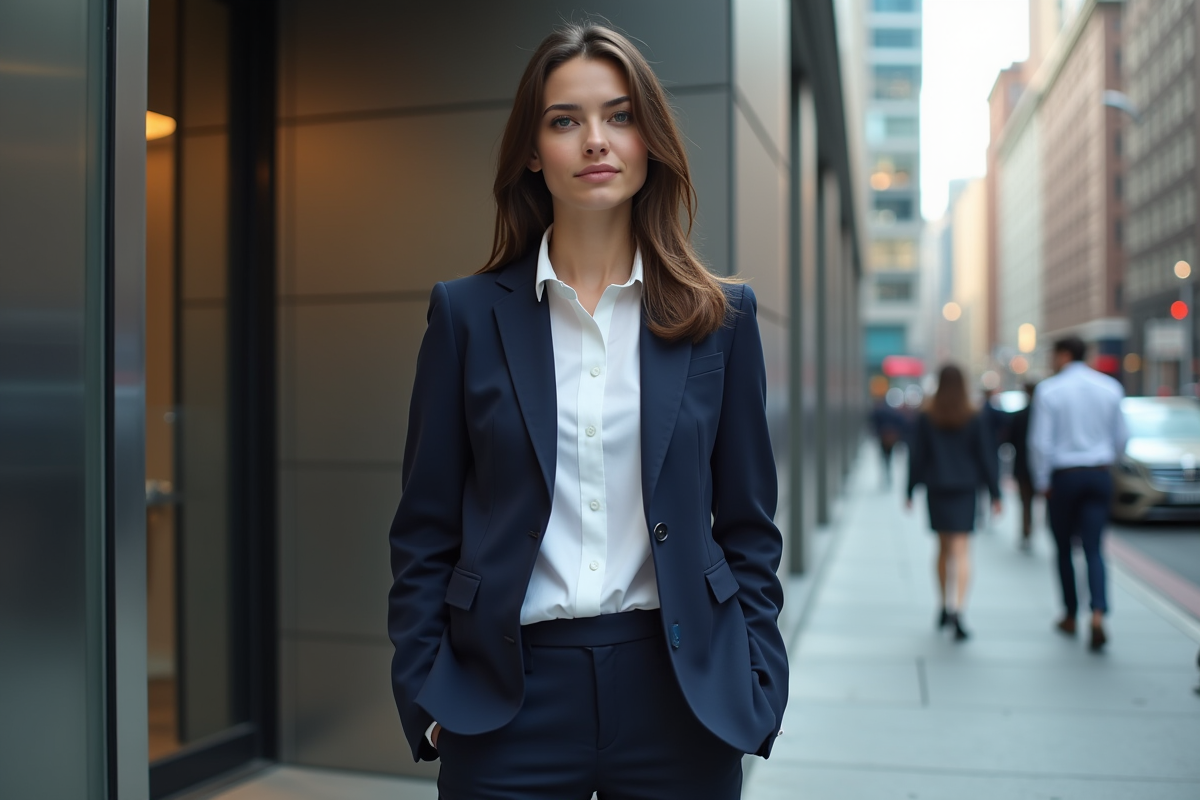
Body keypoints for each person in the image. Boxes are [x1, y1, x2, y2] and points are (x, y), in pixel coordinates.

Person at [386, 22, 787, 799]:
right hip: (505, 697)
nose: (595, 140)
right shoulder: (466, 316)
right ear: (533, 152)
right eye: (565, 120)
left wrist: (758, 684)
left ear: (649, 140)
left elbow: (749, 527)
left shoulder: (721, 319)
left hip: (681, 693)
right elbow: (424, 528)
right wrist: (427, 693)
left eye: (620, 115)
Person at [1029, 336, 1126, 652]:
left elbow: (1040, 443)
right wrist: (1107, 462)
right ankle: (1097, 613)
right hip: (1098, 473)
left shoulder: (1050, 390)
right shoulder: (1110, 388)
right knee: (1094, 548)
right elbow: (1121, 437)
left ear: (1064, 355)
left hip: (1065, 476)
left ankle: (1070, 614)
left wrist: (1042, 481)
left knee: (1063, 549)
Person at [906, 364, 1001, 641]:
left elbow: (917, 455)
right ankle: (958, 609)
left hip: (937, 488)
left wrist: (909, 489)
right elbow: (986, 456)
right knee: (961, 550)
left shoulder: (927, 416)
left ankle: (942, 605)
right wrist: (995, 493)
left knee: (942, 548)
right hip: (965, 489)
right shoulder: (974, 416)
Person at [1008, 381, 1037, 550]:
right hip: (1033, 466)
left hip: (1023, 465)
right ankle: (1030, 530)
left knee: (1026, 502)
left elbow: (1010, 439)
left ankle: (1026, 530)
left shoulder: (1020, 415)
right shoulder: (1042, 415)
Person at [870, 395, 908, 487]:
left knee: (885, 456)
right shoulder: (895, 413)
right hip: (889, 437)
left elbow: (873, 422)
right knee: (887, 456)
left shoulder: (880, 412)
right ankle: (887, 473)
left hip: (884, 437)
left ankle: (886, 473)